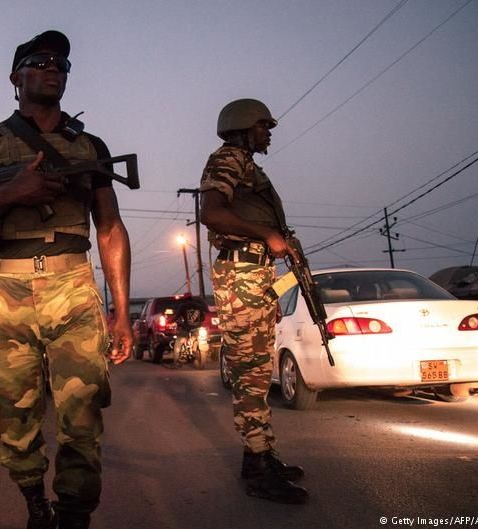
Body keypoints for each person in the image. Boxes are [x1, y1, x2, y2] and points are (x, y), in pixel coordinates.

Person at [0, 30, 133, 529]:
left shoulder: (90, 146)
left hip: (72, 283)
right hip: (7, 287)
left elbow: (109, 228)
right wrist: (12, 193)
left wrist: (121, 312)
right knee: (14, 416)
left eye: (61, 64)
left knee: (83, 414)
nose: (53, 68)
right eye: (40, 61)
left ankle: (73, 514)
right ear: (15, 77)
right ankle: (34, 504)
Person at [198, 98, 309, 504]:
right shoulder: (228, 159)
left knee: (259, 373)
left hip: (253, 277)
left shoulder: (246, 164)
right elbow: (212, 213)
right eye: (264, 126)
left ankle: (259, 457)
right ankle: (260, 469)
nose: (269, 133)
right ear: (244, 127)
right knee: (251, 375)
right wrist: (266, 236)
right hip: (241, 275)